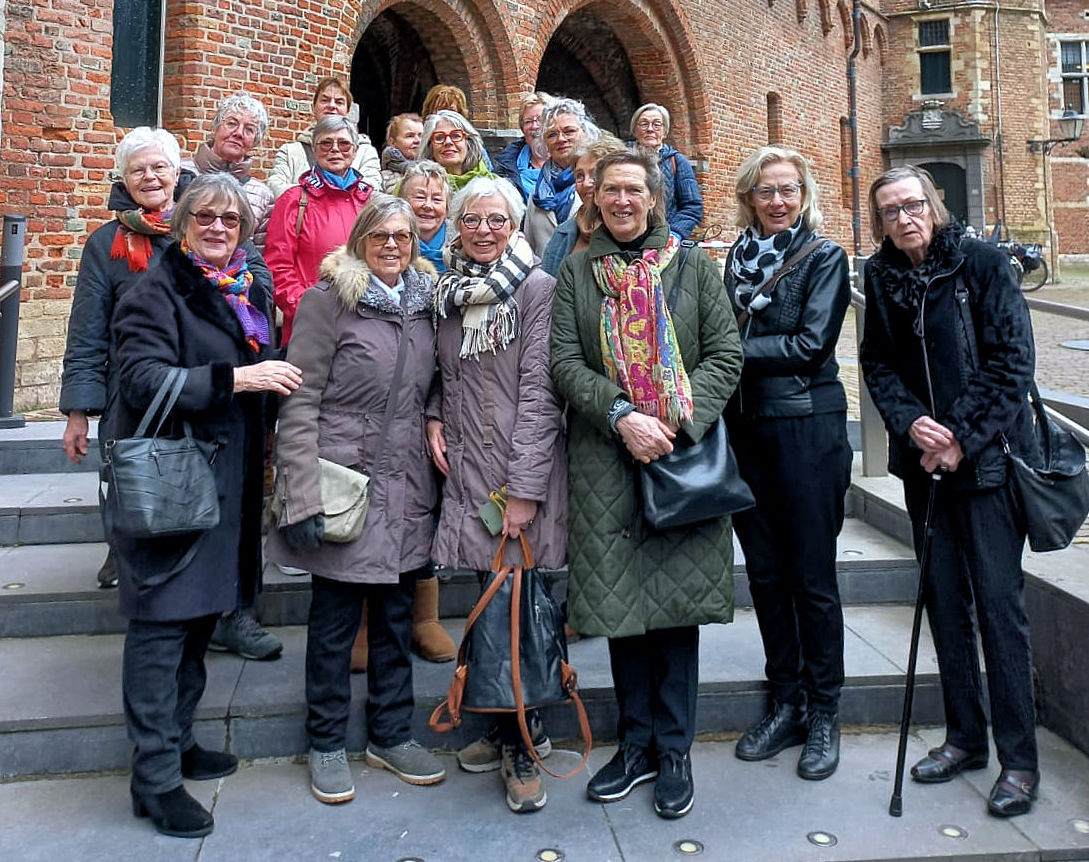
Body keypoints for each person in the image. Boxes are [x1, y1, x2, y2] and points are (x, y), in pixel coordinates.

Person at [550, 150, 742, 819]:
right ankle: (634, 747)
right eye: (611, 190)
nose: (623, 201)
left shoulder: (692, 267)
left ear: (654, 199)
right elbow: (563, 361)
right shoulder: (577, 273)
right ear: (595, 200)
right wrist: (620, 415)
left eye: (634, 189)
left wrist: (674, 420)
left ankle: (674, 750)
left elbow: (724, 353)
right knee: (618, 609)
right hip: (607, 460)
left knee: (676, 612)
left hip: (680, 459)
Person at [111, 174, 302, 838]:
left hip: (222, 481)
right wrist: (240, 378)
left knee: (196, 622)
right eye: (207, 218)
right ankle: (154, 780)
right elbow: (139, 379)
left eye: (231, 220)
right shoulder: (155, 291)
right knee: (163, 626)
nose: (219, 228)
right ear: (184, 224)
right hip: (172, 485)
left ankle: (180, 743)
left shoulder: (243, 293)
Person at [861, 165, 1040, 817]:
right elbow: (875, 361)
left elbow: (1011, 361)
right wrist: (911, 424)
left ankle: (1018, 760)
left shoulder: (984, 264)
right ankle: (964, 737)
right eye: (888, 211)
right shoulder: (879, 276)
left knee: (998, 609)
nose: (902, 218)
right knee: (943, 606)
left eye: (911, 205)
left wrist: (959, 435)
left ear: (932, 205)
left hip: (985, 464)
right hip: (923, 470)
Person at [266, 196, 447, 803]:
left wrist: (436, 420)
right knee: (335, 623)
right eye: (380, 235)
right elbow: (300, 399)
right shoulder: (328, 302)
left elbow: (440, 385)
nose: (393, 244)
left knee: (397, 620)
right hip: (346, 481)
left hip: (408, 484)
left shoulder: (427, 307)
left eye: (403, 235)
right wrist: (301, 493)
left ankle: (391, 734)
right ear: (360, 240)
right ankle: (324, 742)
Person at [59, 127, 271, 590]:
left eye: (160, 167)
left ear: (178, 174)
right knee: (134, 472)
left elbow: (260, 283)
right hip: (139, 388)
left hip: (212, 385)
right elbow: (88, 330)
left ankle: (224, 601)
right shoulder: (108, 243)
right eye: (138, 170)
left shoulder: (210, 222)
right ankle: (129, 549)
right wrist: (78, 409)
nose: (150, 177)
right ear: (124, 179)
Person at [427, 176, 567, 813]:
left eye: (496, 220)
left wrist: (526, 492)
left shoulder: (535, 289)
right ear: (457, 227)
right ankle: (493, 714)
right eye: (472, 220)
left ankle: (524, 739)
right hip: (470, 473)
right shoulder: (449, 296)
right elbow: (442, 373)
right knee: (489, 605)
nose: (484, 230)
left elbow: (541, 396)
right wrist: (433, 416)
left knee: (519, 609)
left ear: (515, 227)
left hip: (517, 474)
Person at [723, 146, 852, 780]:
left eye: (789, 190)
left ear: (804, 196)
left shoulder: (825, 257)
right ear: (749, 198)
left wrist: (727, 349)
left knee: (811, 577)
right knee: (768, 578)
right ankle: (787, 699)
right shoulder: (735, 262)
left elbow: (808, 345)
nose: (778, 201)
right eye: (766, 191)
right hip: (749, 435)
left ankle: (825, 711)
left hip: (806, 429)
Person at [266, 114, 375, 344]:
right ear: (314, 150)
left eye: (343, 143)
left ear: (355, 150)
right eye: (326, 143)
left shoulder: (371, 203)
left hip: (365, 326)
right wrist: (307, 308)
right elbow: (278, 266)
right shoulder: (294, 200)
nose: (335, 149)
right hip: (309, 327)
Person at [181, 92, 275, 250]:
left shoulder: (262, 195)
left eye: (249, 130)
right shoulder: (178, 172)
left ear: (255, 141)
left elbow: (258, 257)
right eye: (231, 124)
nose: (238, 133)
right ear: (216, 128)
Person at [268, 77, 381, 199]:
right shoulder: (290, 152)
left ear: (347, 110)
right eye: (325, 100)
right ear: (314, 107)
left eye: (339, 102)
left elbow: (371, 192)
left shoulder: (365, 152)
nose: (332, 105)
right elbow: (275, 189)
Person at [540, 134, 626, 277]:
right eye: (580, 176)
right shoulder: (563, 234)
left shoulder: (633, 232)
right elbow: (548, 289)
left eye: (595, 174)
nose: (586, 183)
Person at [524, 98, 599, 258]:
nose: (561, 139)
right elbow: (529, 248)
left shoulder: (599, 182)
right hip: (546, 280)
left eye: (569, 131)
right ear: (545, 143)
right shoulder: (537, 193)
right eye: (552, 134)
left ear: (586, 133)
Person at [629, 103, 703, 239]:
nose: (650, 129)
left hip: (664, 238)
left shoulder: (678, 162)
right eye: (644, 124)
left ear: (664, 131)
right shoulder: (620, 159)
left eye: (657, 124)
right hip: (624, 237)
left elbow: (692, 206)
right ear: (634, 130)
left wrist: (673, 234)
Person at [494, 92, 552, 203]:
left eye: (540, 119)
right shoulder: (505, 167)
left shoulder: (570, 163)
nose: (534, 126)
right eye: (528, 122)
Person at [420, 110, 495, 193]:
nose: (448, 142)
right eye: (439, 137)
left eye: (456, 136)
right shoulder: (416, 186)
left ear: (469, 142)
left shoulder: (495, 186)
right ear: (429, 146)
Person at [398, 160, 451, 275]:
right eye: (420, 197)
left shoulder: (462, 241)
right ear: (403, 202)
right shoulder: (390, 241)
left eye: (437, 199)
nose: (428, 205)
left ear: (446, 208)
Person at [381, 112, 424, 192]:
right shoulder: (382, 179)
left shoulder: (434, 170)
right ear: (392, 142)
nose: (417, 140)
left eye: (421, 135)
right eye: (410, 136)